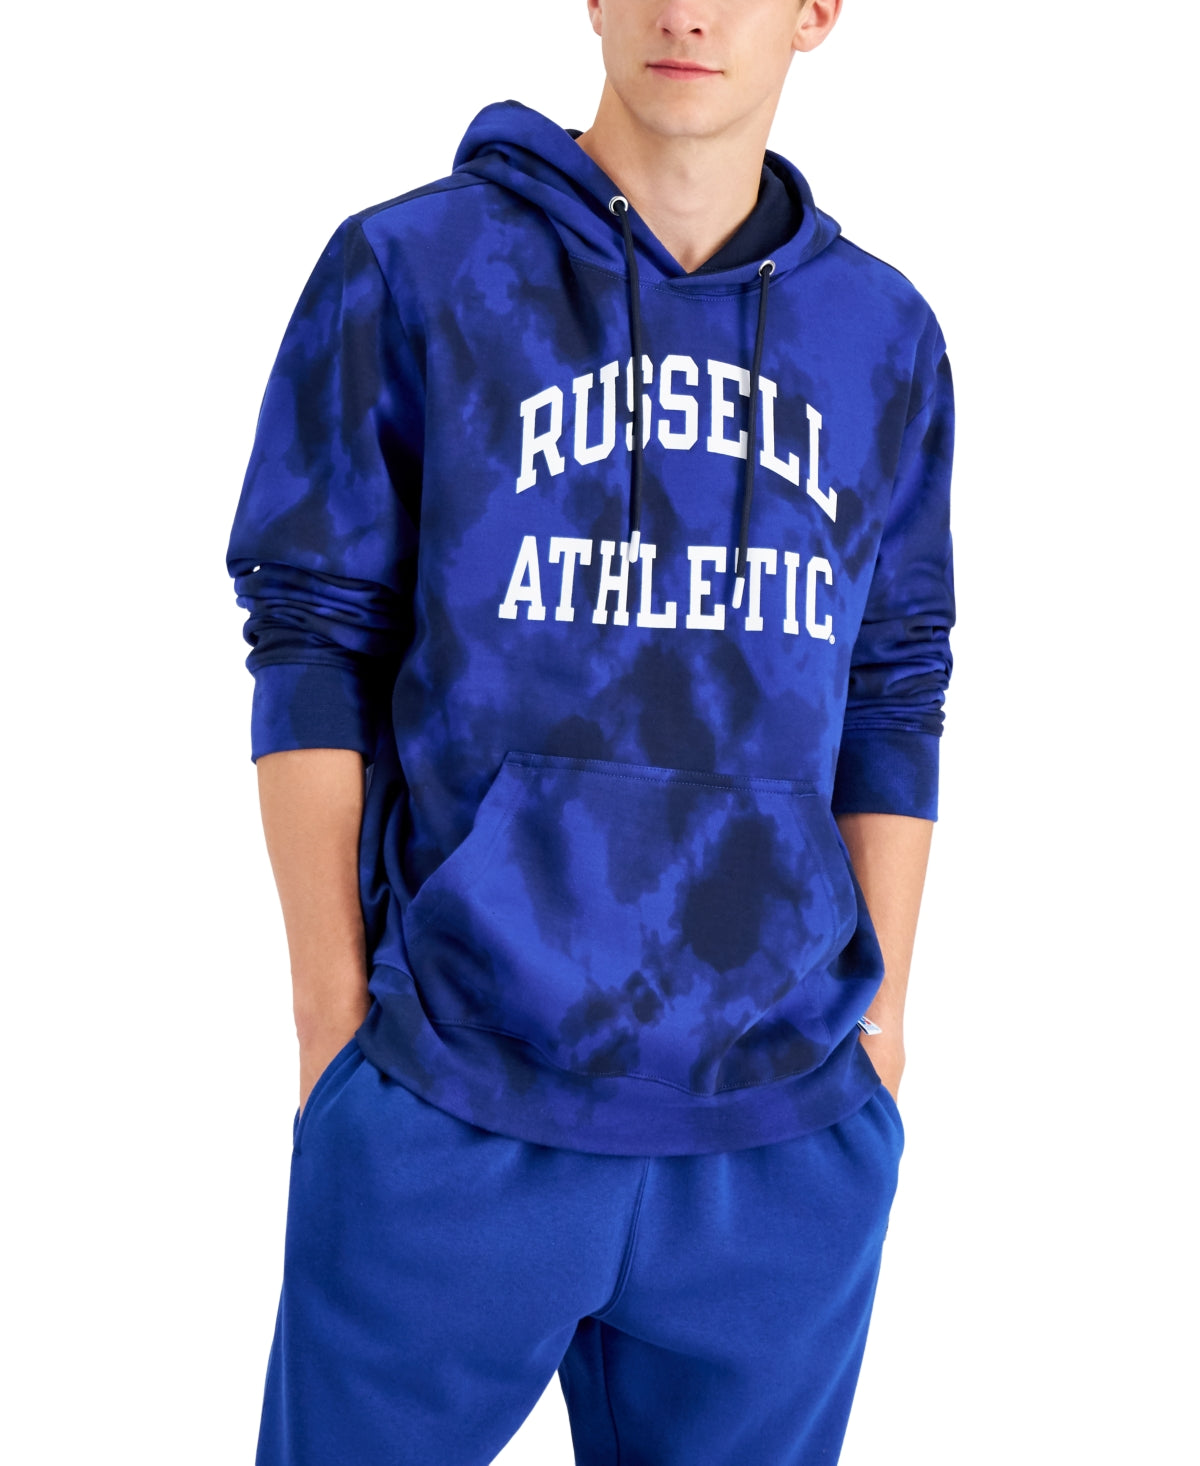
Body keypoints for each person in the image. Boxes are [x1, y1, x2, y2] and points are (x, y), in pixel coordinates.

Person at [225, 0, 955, 1460]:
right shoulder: (413, 271)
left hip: (777, 1145)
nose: (689, 10)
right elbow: (310, 635)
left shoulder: (883, 338)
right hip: (453, 1102)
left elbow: (895, 683)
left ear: (817, 10)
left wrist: (878, 1042)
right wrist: (332, 1026)